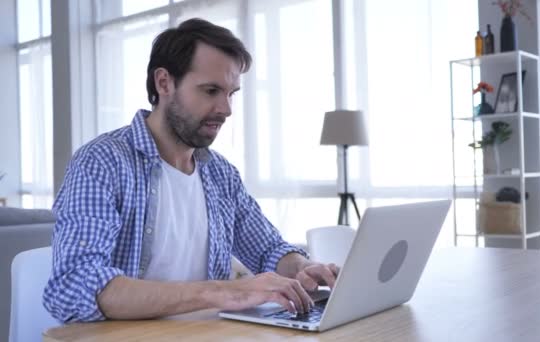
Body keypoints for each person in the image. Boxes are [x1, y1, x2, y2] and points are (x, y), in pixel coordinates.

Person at [43, 18, 338, 323]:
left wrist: (302, 268)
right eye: (211, 90)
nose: (226, 109)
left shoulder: (220, 174)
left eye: (230, 93)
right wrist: (224, 292)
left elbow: (269, 249)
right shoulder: (101, 162)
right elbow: (74, 284)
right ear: (164, 83)